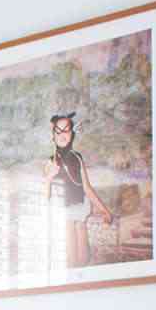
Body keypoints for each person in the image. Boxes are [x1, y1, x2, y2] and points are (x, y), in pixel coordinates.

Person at [43, 111, 112, 270]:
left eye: (66, 130)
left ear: (71, 134)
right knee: (71, 260)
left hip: (80, 208)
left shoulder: (77, 157)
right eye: (58, 131)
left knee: (83, 258)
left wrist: (104, 210)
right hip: (64, 213)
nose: (62, 134)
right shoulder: (51, 162)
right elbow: (45, 198)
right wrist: (48, 178)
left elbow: (87, 187)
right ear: (53, 135)